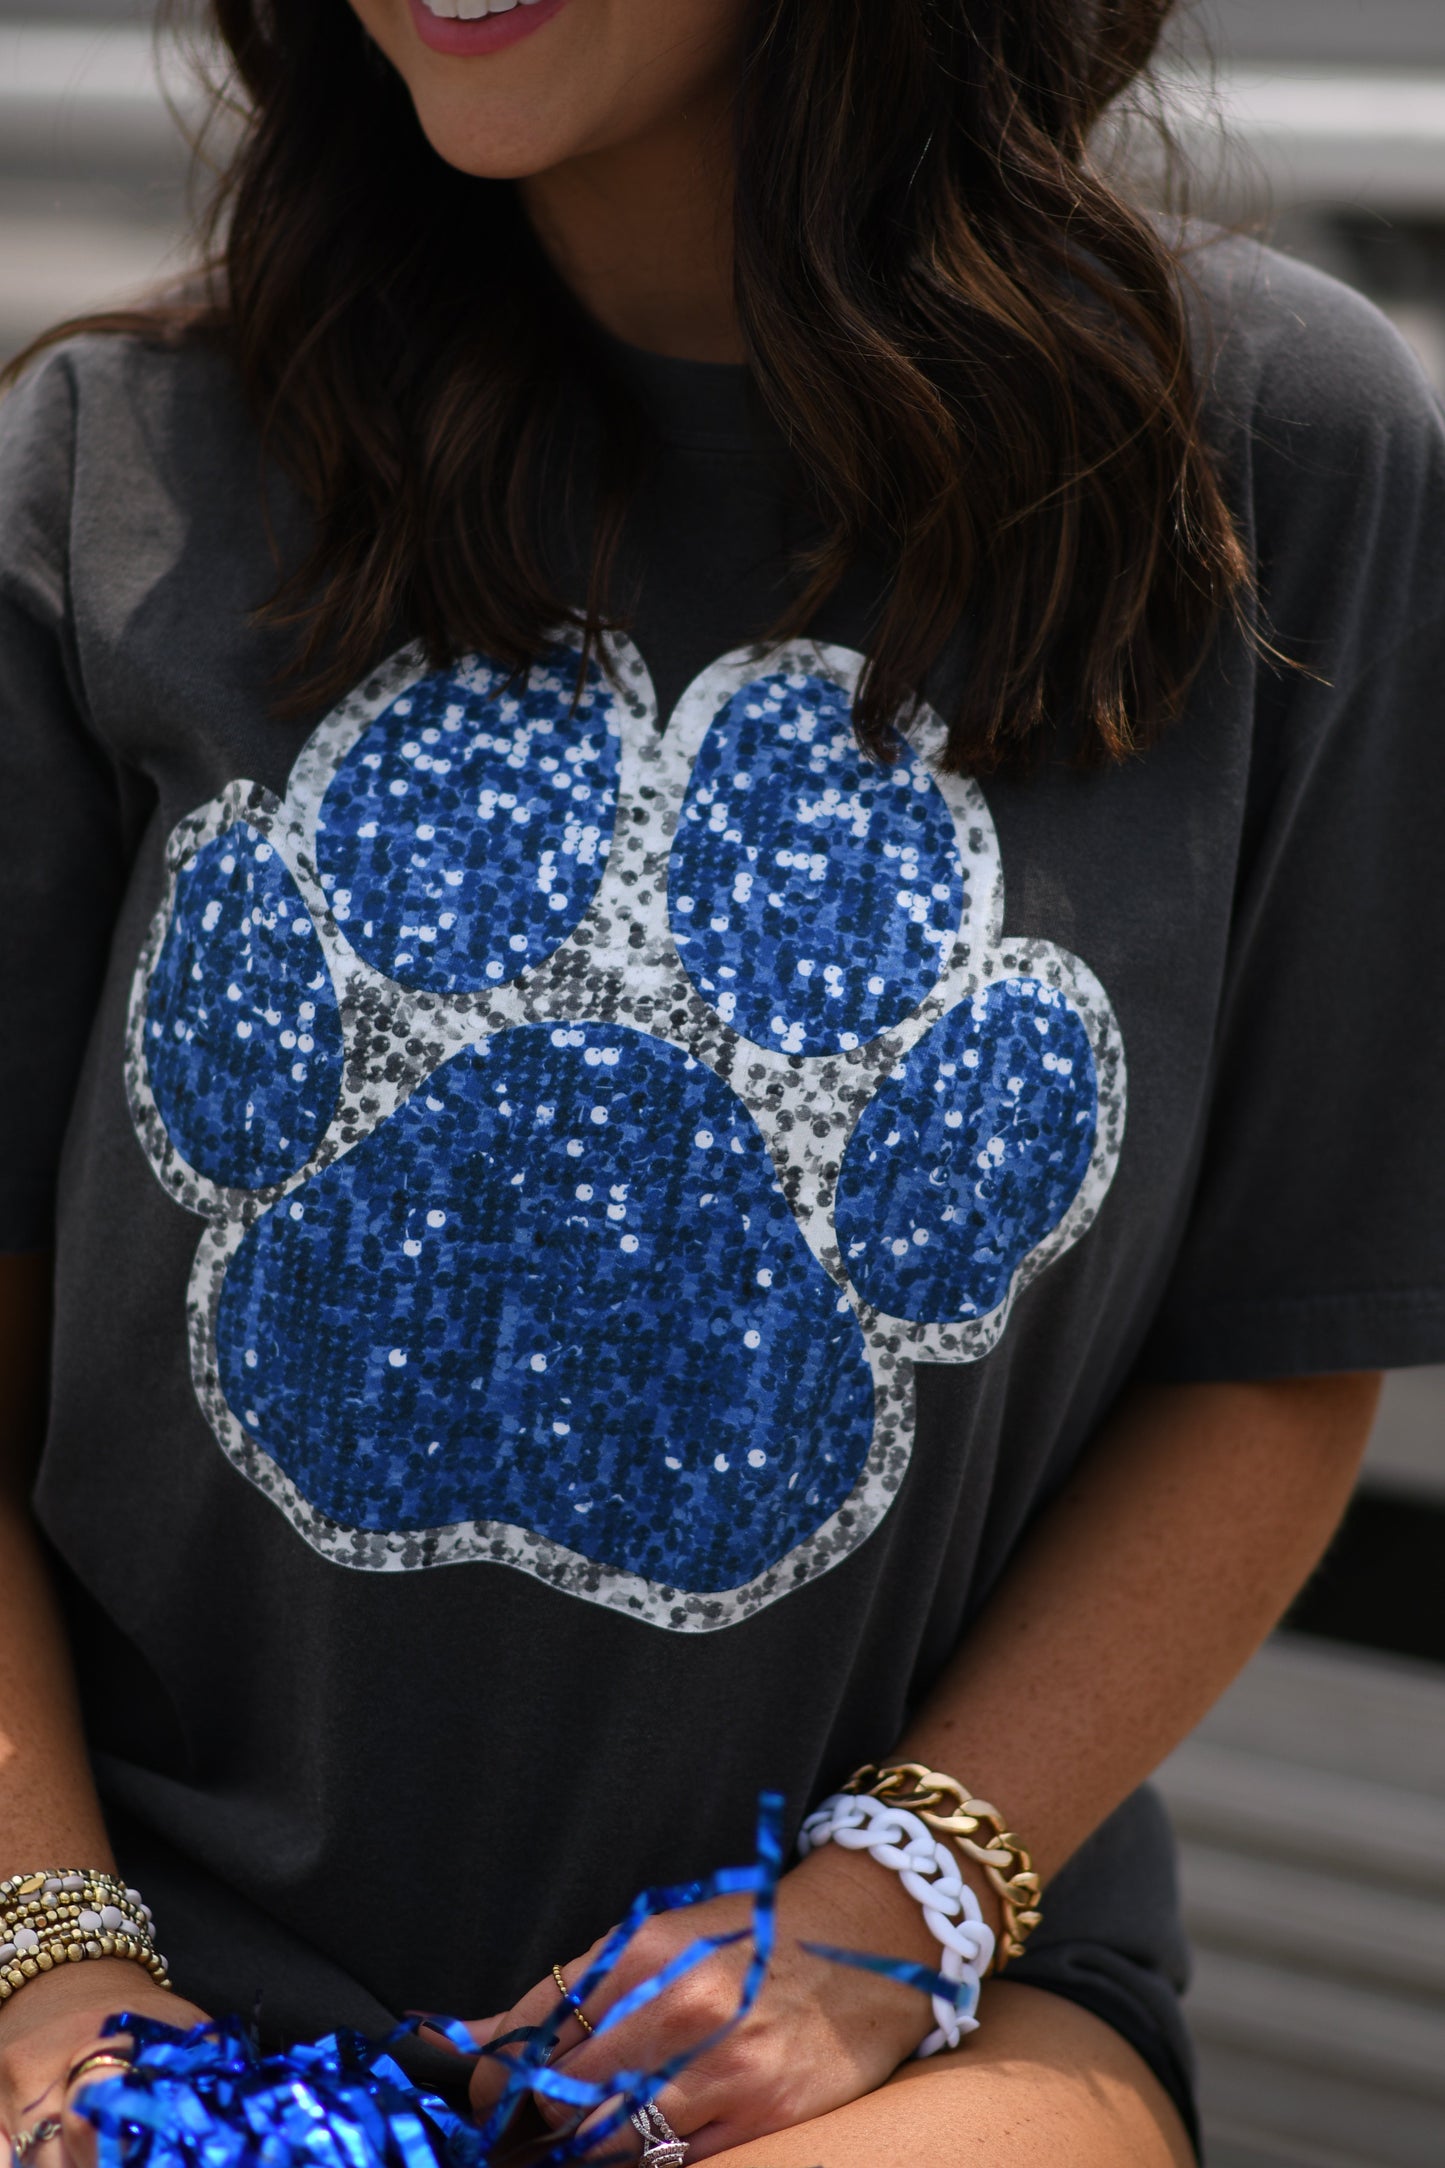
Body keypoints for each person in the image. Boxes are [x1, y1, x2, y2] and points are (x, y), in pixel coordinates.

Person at [1, 1, 1441, 2162]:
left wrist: (881, 1912)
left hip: (910, 1986)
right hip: (131, 1947)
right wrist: (58, 1967)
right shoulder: (122, 466)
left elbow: (1273, 1352)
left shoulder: (1269, 464)